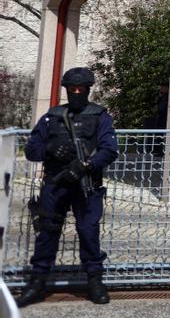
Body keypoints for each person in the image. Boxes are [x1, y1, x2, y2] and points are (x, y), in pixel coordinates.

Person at [16, 67, 119, 307]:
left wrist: (86, 166)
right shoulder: (51, 117)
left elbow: (109, 150)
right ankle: (38, 282)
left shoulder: (100, 116)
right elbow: (31, 150)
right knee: (48, 231)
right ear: (66, 90)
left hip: (86, 185)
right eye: (71, 89)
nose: (75, 93)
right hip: (56, 184)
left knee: (88, 232)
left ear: (87, 90)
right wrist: (49, 150)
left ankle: (94, 280)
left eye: (80, 89)